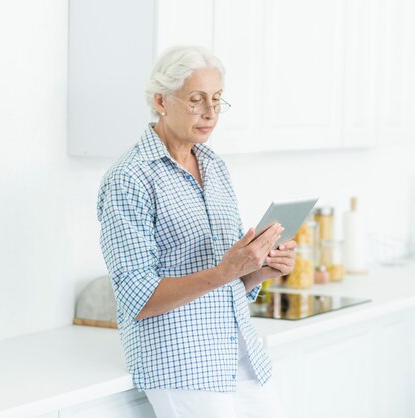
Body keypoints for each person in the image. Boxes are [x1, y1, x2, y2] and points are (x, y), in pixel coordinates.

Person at [96, 45, 296, 418]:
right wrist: (227, 270)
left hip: (239, 353)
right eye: (197, 100)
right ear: (161, 100)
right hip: (182, 364)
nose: (210, 113)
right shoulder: (129, 178)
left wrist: (259, 269)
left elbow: (230, 279)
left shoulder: (214, 166)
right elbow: (136, 297)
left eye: (218, 101)